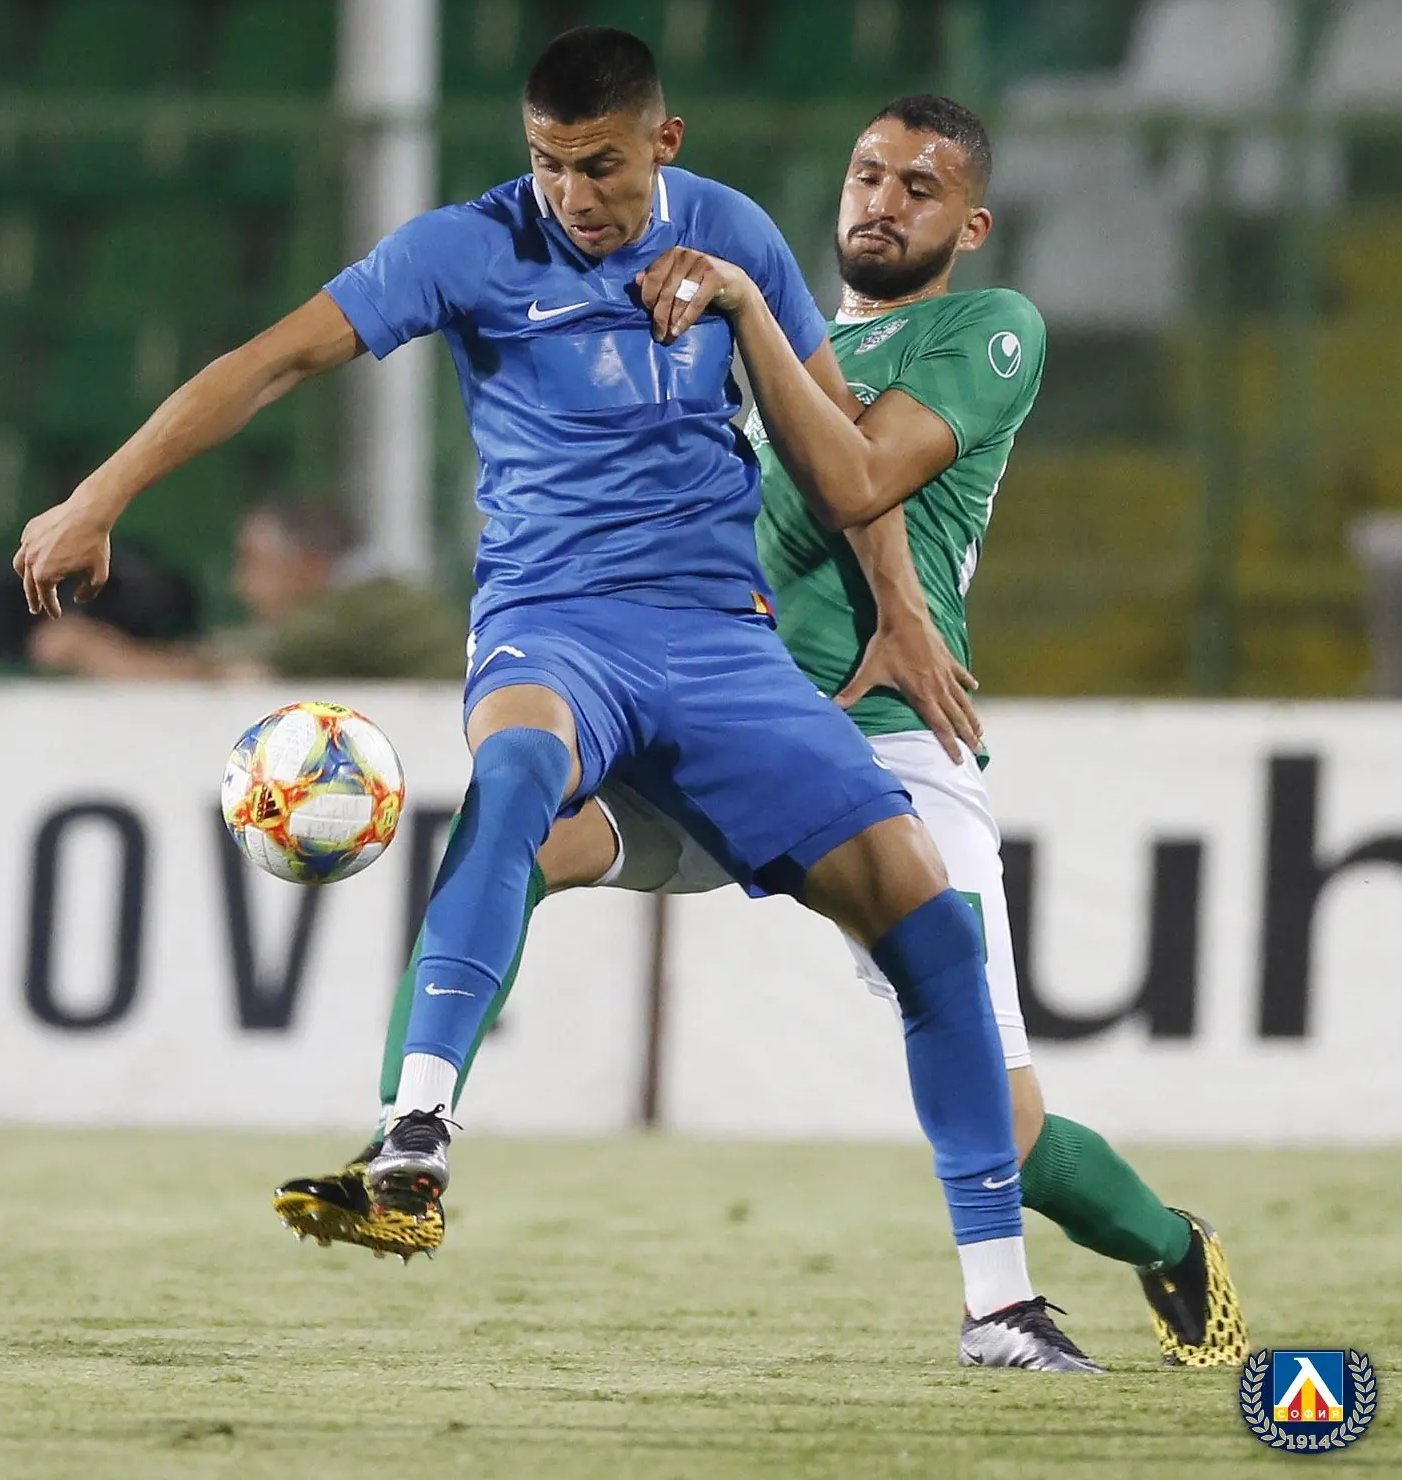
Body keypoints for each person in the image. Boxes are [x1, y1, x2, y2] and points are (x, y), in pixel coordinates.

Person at [16, 27, 1095, 1372]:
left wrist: (899, 603)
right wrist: (100, 493)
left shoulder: (734, 236)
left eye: (600, 167)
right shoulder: (462, 248)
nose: (572, 196)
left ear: (664, 144)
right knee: (518, 776)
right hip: (552, 624)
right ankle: (412, 1136)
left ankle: (998, 1305)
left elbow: (837, 455)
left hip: (720, 641)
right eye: (547, 164)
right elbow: (271, 361)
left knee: (924, 915)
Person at [278, 93, 1247, 1371]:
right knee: (509, 836)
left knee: (1008, 1135)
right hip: (715, 721)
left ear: (970, 225)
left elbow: (861, 472)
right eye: (866, 174)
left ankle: (1170, 1247)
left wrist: (902, 609)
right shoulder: (754, 329)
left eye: (918, 187)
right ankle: (408, 1136)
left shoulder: (984, 330)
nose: (881, 202)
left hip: (886, 738)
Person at [26, 497, 469, 681]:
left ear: (309, 565)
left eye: (254, 562)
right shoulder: (378, 600)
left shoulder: (354, 616)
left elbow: (224, 674)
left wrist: (95, 652)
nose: (241, 584)